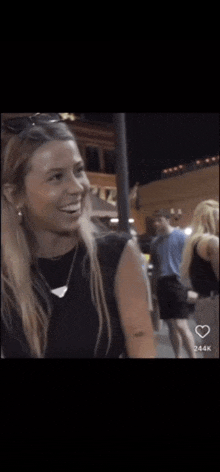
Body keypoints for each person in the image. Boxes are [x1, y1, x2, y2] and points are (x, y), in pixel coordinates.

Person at [1, 113, 156, 359]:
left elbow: (141, 339)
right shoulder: (5, 273)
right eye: (56, 176)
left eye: (79, 170)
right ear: (14, 194)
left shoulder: (117, 253)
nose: (77, 187)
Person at [150, 209, 196, 358]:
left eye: (159, 219)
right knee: (171, 326)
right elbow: (155, 267)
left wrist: (191, 287)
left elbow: (192, 262)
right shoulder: (155, 242)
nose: (156, 223)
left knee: (180, 325)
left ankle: (193, 357)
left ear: (167, 219)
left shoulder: (181, 236)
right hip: (162, 284)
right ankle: (178, 356)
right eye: (154, 220)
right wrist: (153, 290)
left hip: (178, 282)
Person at [180, 200, 219, 358]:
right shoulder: (212, 242)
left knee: (210, 347)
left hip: (203, 303)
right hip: (216, 301)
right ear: (210, 219)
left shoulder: (193, 242)